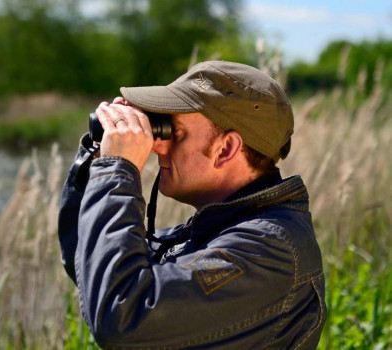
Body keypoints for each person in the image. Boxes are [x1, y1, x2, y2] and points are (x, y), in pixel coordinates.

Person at [58, 61, 326, 349]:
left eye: (175, 132)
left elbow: (121, 315)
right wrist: (97, 158)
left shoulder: (270, 248)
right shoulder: (219, 228)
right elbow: (90, 261)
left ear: (226, 149)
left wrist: (117, 169)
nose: (158, 146)